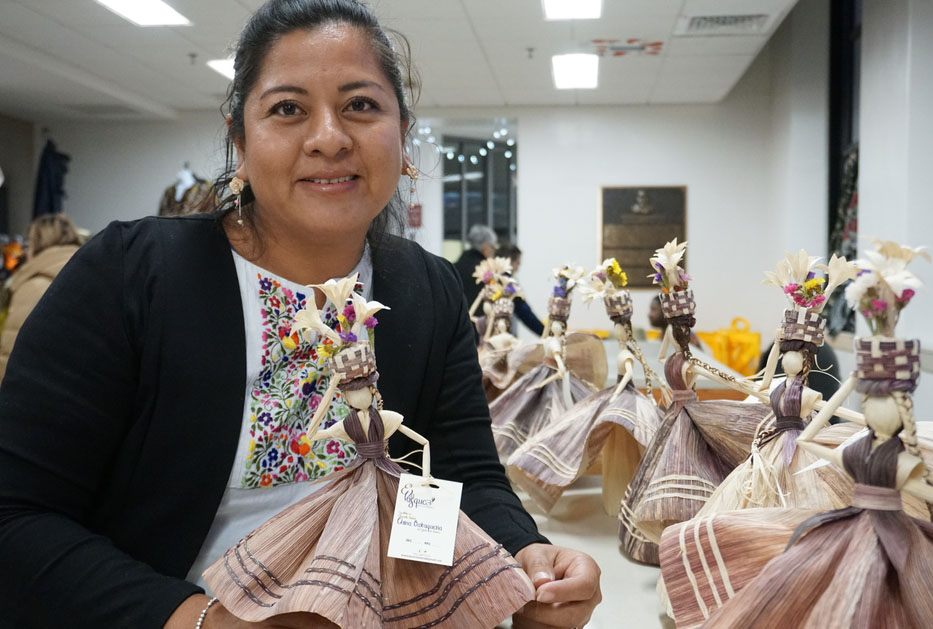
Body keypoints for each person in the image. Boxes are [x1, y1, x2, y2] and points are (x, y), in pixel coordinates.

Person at [0, 2, 601, 628]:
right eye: (288, 109)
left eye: (361, 106)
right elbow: (16, 517)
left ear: (402, 134)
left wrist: (527, 555)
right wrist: (204, 622)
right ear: (240, 138)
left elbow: (457, 475)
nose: (329, 137)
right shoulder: (130, 276)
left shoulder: (427, 289)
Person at [0, 212, 82, 380]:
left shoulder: (36, 286)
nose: (25, 252)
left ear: (39, 244)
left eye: (28, 244)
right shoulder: (87, 276)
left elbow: (10, 356)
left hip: (29, 394)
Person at [496, 243, 545, 336]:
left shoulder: (489, 276)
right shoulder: (508, 283)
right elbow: (524, 313)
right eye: (517, 264)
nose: (517, 269)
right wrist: (545, 333)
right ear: (510, 261)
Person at [453, 223, 497, 311]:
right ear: (485, 246)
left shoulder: (455, 267)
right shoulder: (486, 271)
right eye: (492, 246)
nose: (494, 251)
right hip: (479, 321)